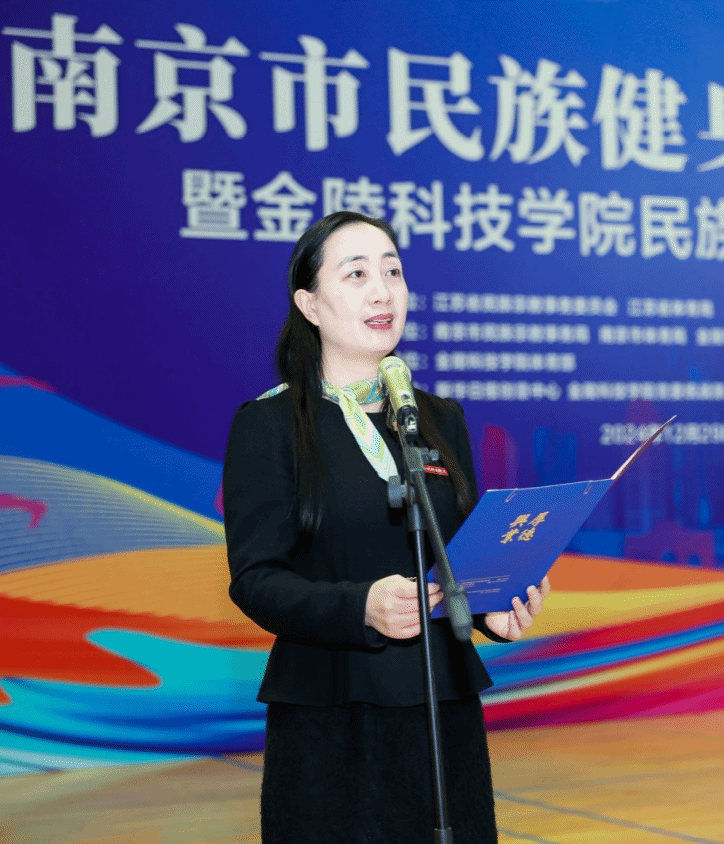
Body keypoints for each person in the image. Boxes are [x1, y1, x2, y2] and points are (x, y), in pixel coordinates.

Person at [222, 211, 549, 843]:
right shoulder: (269, 426)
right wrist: (361, 606)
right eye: (357, 274)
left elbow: (458, 555)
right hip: (332, 712)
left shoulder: (438, 418)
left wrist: (491, 611)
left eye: (393, 272)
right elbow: (256, 579)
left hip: (442, 704)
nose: (382, 291)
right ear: (310, 305)